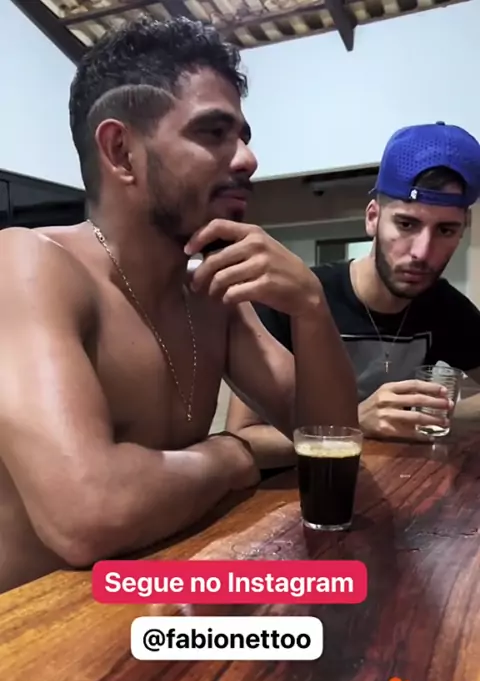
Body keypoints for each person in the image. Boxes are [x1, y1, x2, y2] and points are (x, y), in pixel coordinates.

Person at [0, 17, 357, 593]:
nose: (247, 159)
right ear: (121, 152)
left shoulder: (209, 291)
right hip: (31, 636)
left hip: (147, 605)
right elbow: (88, 514)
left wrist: (311, 308)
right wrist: (230, 455)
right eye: (213, 132)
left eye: (242, 135)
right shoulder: (28, 264)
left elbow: (330, 437)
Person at [227, 122, 480, 472]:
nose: (422, 253)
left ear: (463, 229)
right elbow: (245, 438)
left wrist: (444, 414)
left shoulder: (446, 308)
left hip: (389, 489)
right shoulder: (298, 298)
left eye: (446, 230)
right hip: (295, 493)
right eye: (406, 224)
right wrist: (354, 423)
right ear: (373, 218)